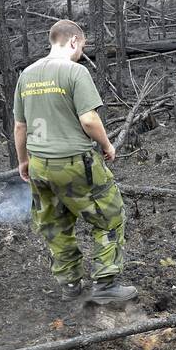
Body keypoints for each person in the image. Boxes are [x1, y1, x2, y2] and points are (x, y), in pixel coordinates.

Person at [12, 20, 137, 305]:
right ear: (72, 42)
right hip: (74, 163)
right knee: (109, 217)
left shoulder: (27, 75)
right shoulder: (75, 72)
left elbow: (20, 126)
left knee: (55, 224)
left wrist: (23, 161)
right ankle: (106, 284)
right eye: (82, 45)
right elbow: (89, 119)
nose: (81, 51)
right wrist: (107, 145)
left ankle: (71, 283)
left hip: (40, 164)